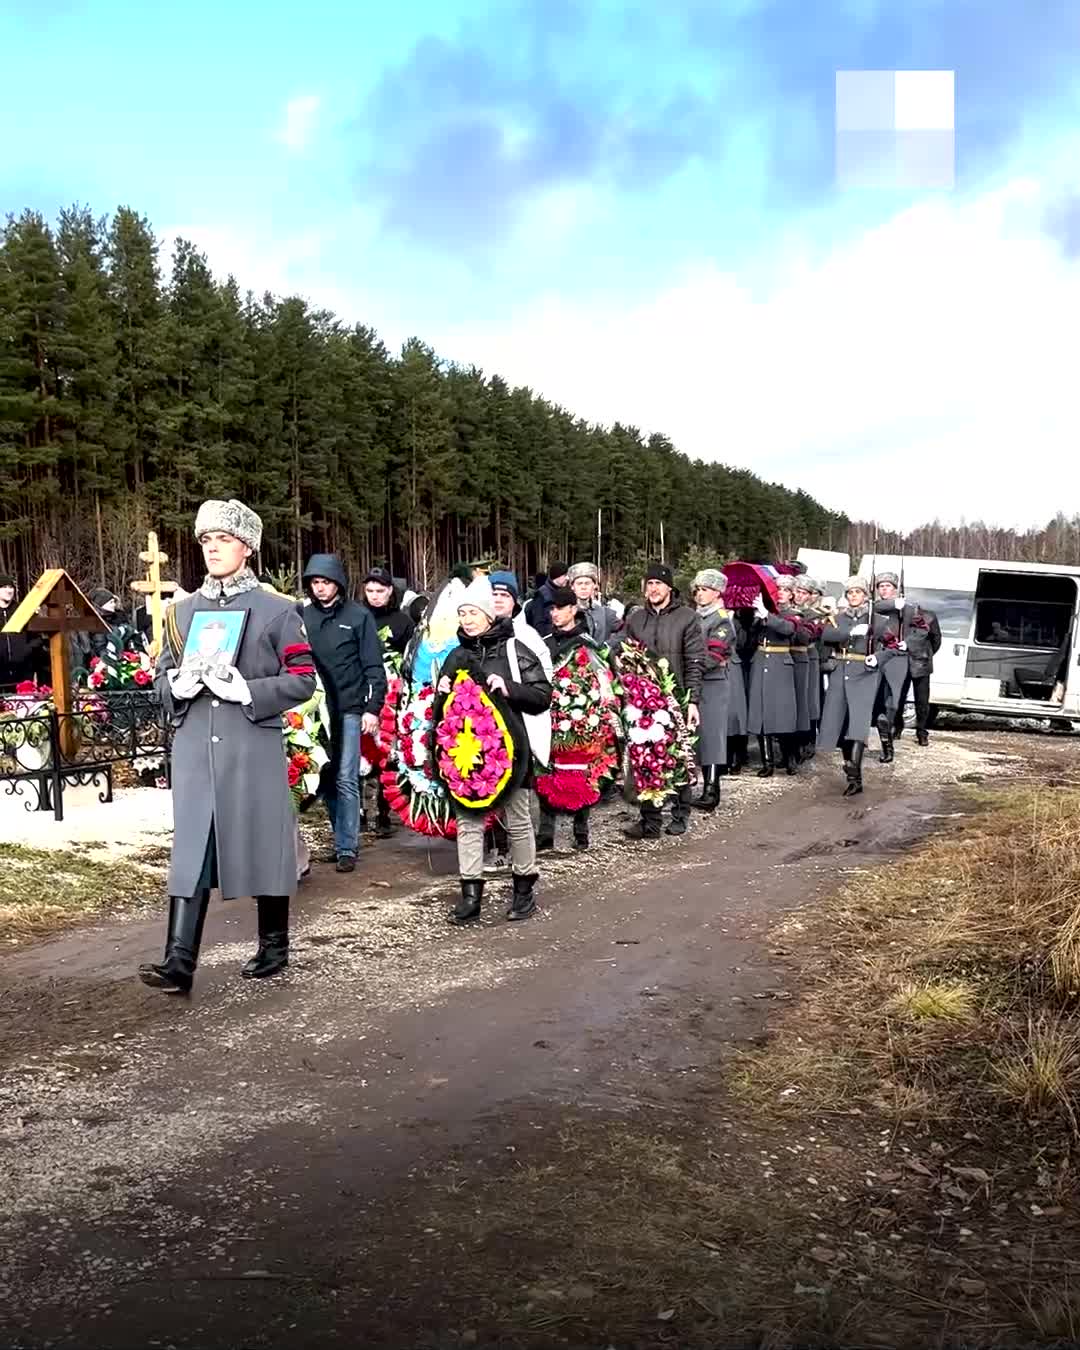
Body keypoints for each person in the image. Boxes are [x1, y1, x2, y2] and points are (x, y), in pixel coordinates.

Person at [139, 499, 317, 995]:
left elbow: (303, 680)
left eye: (224, 540)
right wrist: (175, 684)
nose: (213, 549)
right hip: (195, 745)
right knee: (190, 849)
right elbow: (159, 680)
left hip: (250, 742)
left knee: (263, 840)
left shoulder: (278, 610)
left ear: (247, 548)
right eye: (206, 541)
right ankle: (179, 961)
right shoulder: (181, 613)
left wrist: (247, 689)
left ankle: (274, 944)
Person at [434, 577, 553, 924]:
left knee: (518, 821)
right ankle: (471, 895)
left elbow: (542, 696)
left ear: (488, 615)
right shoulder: (455, 655)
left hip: (511, 755)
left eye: (472, 612)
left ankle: (523, 889)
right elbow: (445, 715)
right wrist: (442, 692)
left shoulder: (515, 650)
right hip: (467, 758)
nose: (467, 619)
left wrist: (510, 688)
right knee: (468, 822)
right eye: (462, 614)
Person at [302, 554, 387, 873]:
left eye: (325, 582)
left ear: (338, 582)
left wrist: (372, 708)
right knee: (324, 777)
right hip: (314, 711)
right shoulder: (303, 617)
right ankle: (340, 838)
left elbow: (373, 666)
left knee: (346, 777)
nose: (320, 588)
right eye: (315, 583)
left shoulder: (358, 616)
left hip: (350, 707)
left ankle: (347, 847)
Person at [620, 563, 703, 838]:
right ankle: (650, 819)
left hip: (676, 697)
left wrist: (693, 700)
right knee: (645, 758)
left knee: (678, 757)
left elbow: (695, 660)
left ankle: (680, 813)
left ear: (669, 587)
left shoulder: (687, 618)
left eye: (658, 584)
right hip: (643, 701)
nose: (653, 589)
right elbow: (626, 655)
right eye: (649, 584)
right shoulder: (636, 619)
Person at [537, 585, 610, 850]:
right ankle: (546, 832)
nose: (554, 614)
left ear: (573, 609)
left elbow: (602, 679)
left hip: (581, 718)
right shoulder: (544, 644)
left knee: (580, 772)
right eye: (552, 609)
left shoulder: (587, 644)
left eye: (559, 608)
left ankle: (581, 829)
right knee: (546, 769)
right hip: (549, 717)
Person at [818, 577, 887, 796]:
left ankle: (854, 772)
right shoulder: (838, 618)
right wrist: (851, 632)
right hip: (841, 671)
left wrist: (878, 658)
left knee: (858, 724)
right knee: (839, 722)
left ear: (866, 595)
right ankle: (849, 765)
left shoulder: (879, 620)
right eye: (850, 592)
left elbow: (893, 647)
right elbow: (827, 635)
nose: (854, 596)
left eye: (858, 592)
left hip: (865, 672)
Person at [361, 565, 416, 837]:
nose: (374, 596)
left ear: (390, 591)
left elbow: (410, 659)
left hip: (392, 695)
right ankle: (361, 810)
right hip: (360, 691)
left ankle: (384, 809)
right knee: (361, 750)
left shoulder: (402, 622)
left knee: (385, 750)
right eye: (369, 590)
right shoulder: (357, 617)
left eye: (380, 590)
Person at [690, 568, 740, 811]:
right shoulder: (696, 617)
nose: (700, 594)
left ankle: (712, 789)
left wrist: (692, 667)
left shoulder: (720, 619)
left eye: (705, 590)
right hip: (698, 680)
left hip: (713, 682)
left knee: (712, 734)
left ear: (718, 592)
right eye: (698, 590)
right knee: (697, 734)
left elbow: (714, 654)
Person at [746, 579, 799, 777]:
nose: (782, 593)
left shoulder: (793, 614)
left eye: (786, 590)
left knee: (782, 713)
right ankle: (767, 762)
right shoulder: (764, 611)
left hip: (780, 664)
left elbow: (788, 629)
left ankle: (790, 757)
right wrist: (756, 619)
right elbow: (751, 639)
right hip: (760, 661)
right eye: (778, 590)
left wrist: (767, 615)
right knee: (760, 712)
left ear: (792, 594)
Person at [0, 574, 45, 690]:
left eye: (11, 587)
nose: (9, 591)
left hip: (23, 673)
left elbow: (38, 638)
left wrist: (25, 651)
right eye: (4, 587)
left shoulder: (23, 610)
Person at [567, 562, 618, 644]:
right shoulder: (565, 613)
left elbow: (623, 631)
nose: (583, 587)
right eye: (579, 584)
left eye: (587, 583)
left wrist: (608, 647)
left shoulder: (605, 613)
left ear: (594, 586)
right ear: (572, 586)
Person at [525, 560, 571, 638]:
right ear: (557, 576)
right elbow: (538, 624)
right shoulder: (541, 595)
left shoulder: (566, 592)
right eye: (565, 575)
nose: (567, 578)